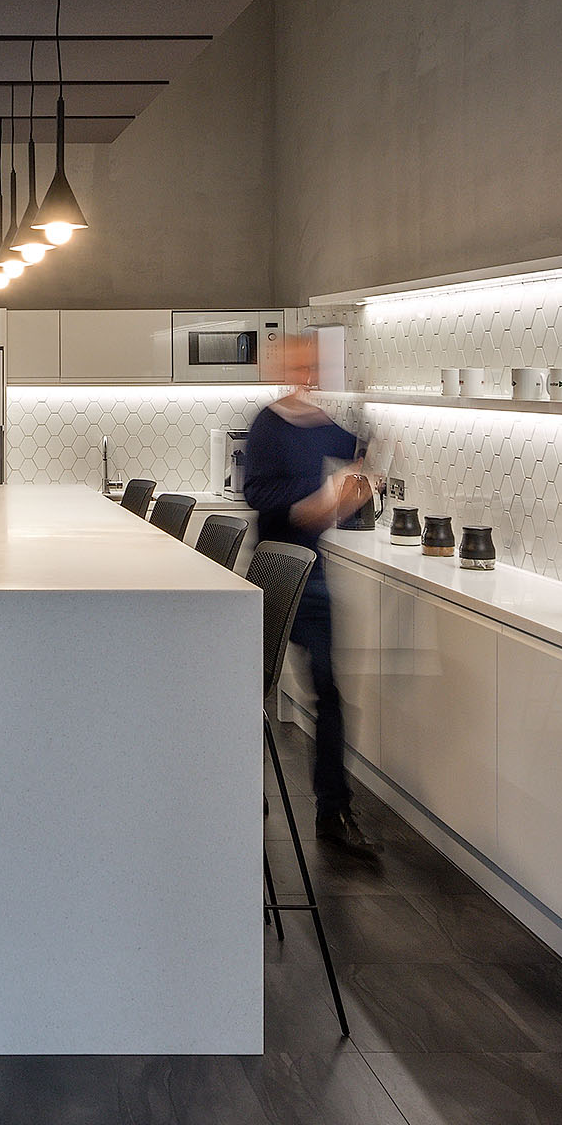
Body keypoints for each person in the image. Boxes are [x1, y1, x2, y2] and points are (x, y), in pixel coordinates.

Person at [243, 332, 383, 859]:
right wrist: (318, 504)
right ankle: (247, 794)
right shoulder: (267, 426)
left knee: (328, 692)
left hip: (314, 572)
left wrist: (355, 488)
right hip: (278, 574)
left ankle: (334, 810)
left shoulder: (318, 422)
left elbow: (359, 455)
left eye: (312, 363)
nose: (308, 371)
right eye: (300, 362)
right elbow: (262, 497)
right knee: (261, 688)